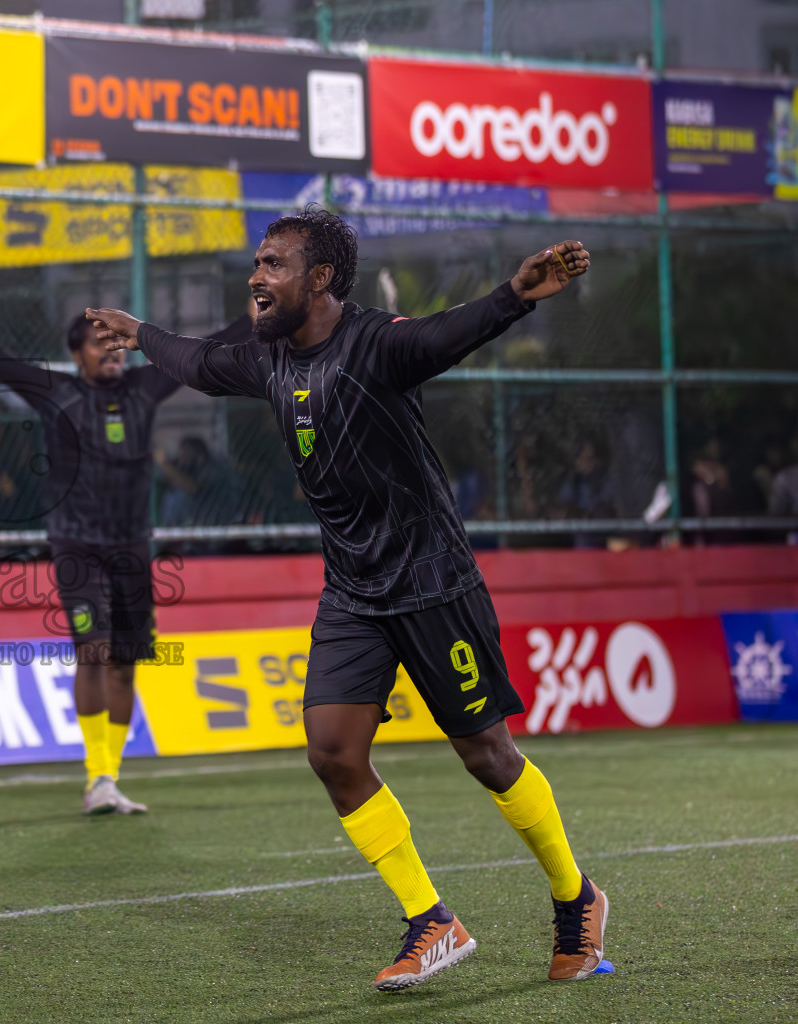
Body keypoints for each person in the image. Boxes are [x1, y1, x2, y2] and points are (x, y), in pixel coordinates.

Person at [89, 209, 605, 990]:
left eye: (273, 264)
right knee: (332, 753)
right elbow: (196, 362)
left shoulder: (376, 344)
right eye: (257, 263)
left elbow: (442, 335)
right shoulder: (267, 359)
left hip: (432, 582)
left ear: (320, 278)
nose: (257, 277)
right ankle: (431, 920)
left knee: (488, 756)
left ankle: (577, 898)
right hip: (355, 591)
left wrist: (516, 296)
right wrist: (139, 330)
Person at [0, 283, 213, 816]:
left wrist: (264, 323)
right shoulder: (57, 393)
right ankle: (96, 777)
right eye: (100, 347)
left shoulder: (145, 389)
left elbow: (202, 352)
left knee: (123, 666)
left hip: (133, 551)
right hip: (77, 547)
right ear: (77, 354)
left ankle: (110, 778)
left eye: (117, 345)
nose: (112, 354)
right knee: (92, 652)